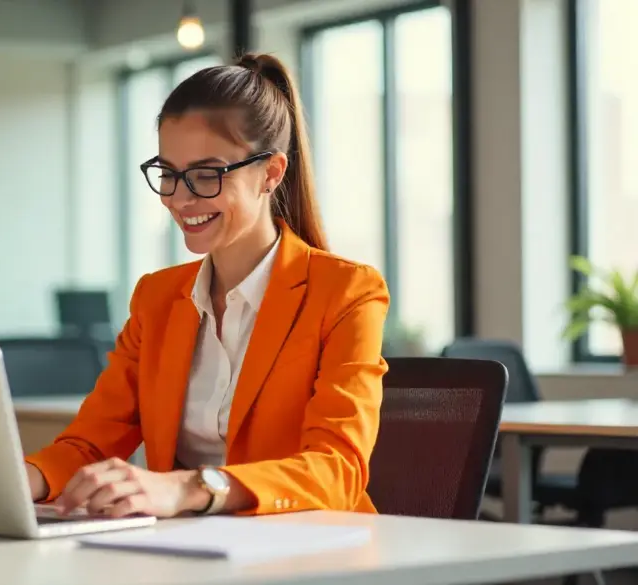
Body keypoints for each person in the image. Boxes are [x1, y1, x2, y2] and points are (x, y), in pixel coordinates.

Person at [24, 53, 390, 518]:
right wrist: (20, 481)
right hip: (190, 554)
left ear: (271, 173)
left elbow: (336, 470)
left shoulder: (346, 292)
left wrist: (188, 489)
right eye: (170, 174)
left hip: (314, 552)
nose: (179, 197)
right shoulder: (156, 298)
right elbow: (89, 443)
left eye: (205, 175)